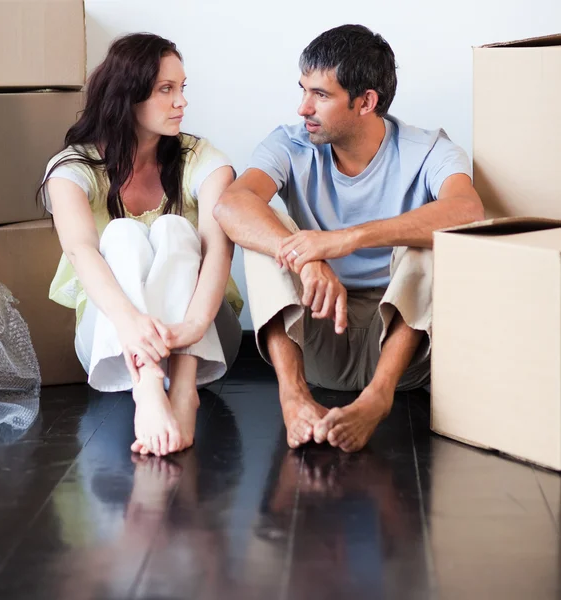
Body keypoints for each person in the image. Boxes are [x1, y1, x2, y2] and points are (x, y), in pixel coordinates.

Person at [214, 24, 484, 453]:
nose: (303, 107)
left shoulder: (430, 149)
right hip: (318, 334)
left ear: (366, 102)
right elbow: (231, 204)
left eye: (320, 95)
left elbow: (468, 212)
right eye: (303, 89)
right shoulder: (289, 144)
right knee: (266, 227)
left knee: (430, 236)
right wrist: (309, 257)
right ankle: (293, 396)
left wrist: (346, 239)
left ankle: (377, 400)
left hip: (403, 348)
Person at [39, 33, 243, 457]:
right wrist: (132, 326)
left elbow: (220, 250)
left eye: (182, 88)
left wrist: (191, 328)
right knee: (121, 234)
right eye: (166, 90)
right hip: (115, 337)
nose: (181, 102)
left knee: (173, 229)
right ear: (126, 96)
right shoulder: (72, 169)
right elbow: (81, 251)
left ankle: (184, 391)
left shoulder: (201, 159)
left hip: (204, 337)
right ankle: (148, 388)